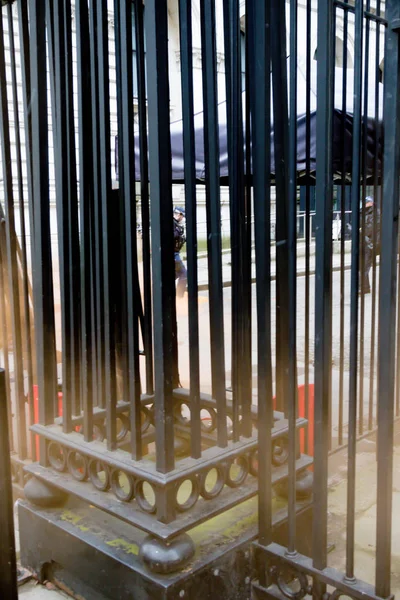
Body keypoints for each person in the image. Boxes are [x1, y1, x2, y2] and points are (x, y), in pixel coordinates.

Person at [360, 196, 380, 295]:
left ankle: (362, 287)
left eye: (366, 202)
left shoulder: (375, 213)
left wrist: (360, 230)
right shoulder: (363, 212)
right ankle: (365, 287)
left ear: (371, 203)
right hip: (362, 242)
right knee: (362, 265)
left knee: (364, 266)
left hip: (370, 243)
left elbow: (371, 228)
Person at [173, 206, 187, 297]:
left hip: (175, 253)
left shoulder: (175, 224)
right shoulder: (173, 224)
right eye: (182, 216)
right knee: (183, 274)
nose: (182, 218)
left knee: (176, 274)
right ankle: (179, 296)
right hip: (174, 254)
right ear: (179, 214)